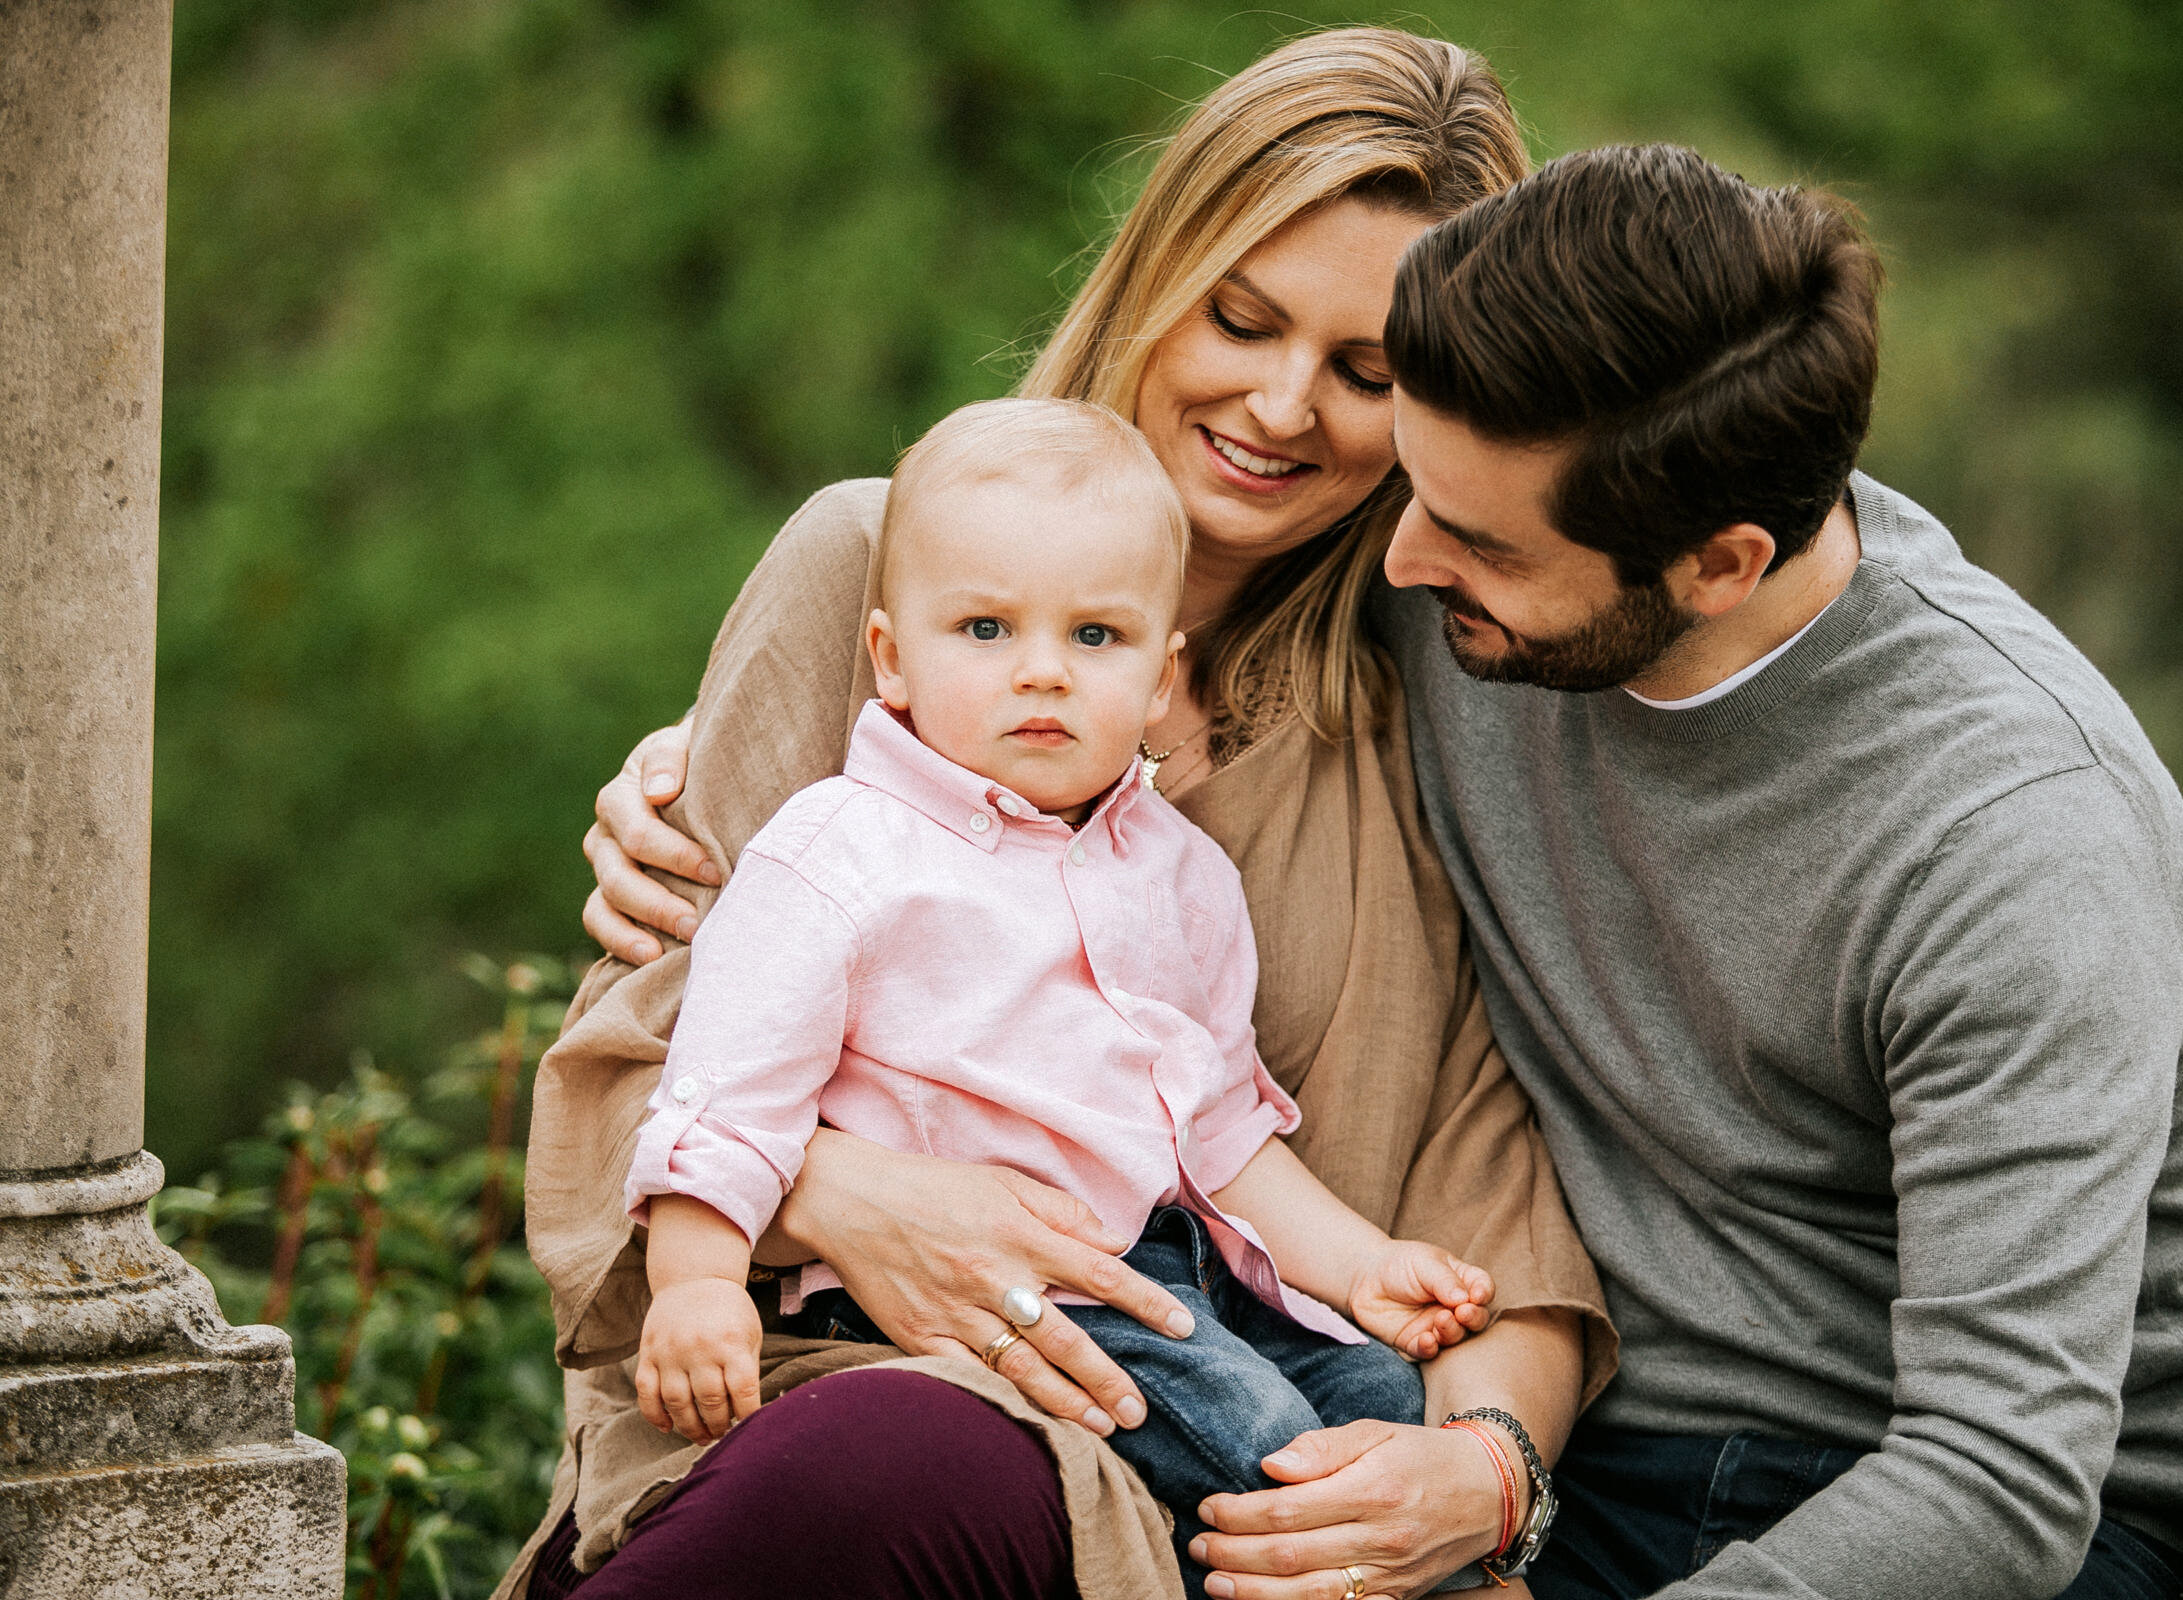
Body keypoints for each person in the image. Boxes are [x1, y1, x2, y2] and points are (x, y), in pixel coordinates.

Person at [587, 145, 2183, 1600]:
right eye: (1415, 490)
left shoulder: (2017, 841)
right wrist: (815, 763)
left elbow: (2003, 1472)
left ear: (1720, 561)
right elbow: (1061, 627)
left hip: (1957, 1518)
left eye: (1472, 541)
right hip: (1590, 1466)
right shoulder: (1475, 574)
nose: (1396, 558)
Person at [509, 29, 1614, 1600]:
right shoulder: (866, 567)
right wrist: (863, 1198)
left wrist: (1487, 1476)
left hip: (1251, 1461)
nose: (1283, 405)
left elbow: (1501, 1201)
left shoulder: (1432, 716)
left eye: (1368, 374)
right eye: (1240, 318)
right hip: (851, 1398)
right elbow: (631, 1067)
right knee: (895, 1464)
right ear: (1159, 272)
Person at [626, 398, 1502, 1599]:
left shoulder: (1178, 871)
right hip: (966, 1285)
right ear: (892, 656)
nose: (1041, 669)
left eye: (1096, 637)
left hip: (1170, 1264)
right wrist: (697, 1286)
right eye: (985, 628)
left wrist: (1360, 1270)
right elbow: (726, 1091)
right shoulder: (841, 851)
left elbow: (1224, 1131)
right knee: (1268, 1446)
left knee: (1374, 1394)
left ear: (1160, 679)